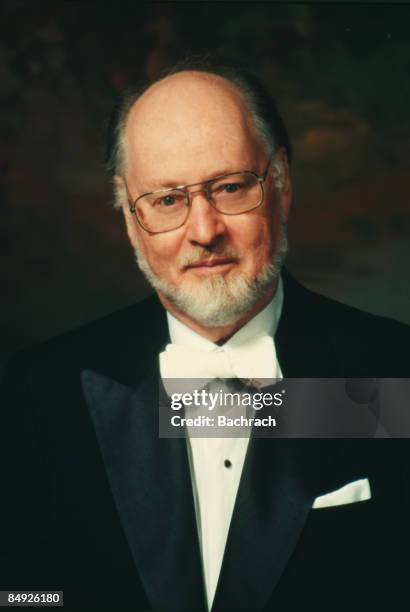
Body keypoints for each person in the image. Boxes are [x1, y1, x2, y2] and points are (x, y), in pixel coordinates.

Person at [1, 57, 409, 611]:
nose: (204, 231)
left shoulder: (394, 372)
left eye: (231, 187)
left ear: (281, 184)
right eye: (167, 200)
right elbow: (23, 596)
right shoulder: (37, 392)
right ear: (129, 217)